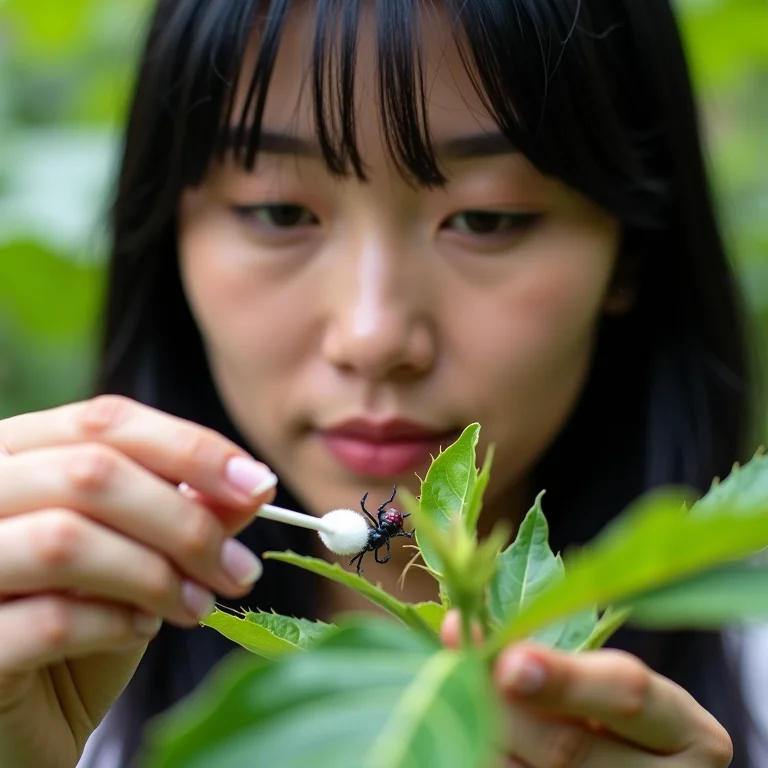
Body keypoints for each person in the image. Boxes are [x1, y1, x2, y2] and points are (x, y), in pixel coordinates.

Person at [0, 0, 760, 765]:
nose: (372, 335)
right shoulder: (60, 692)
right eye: (276, 209)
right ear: (169, 235)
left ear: (631, 253)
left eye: (488, 218)